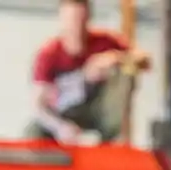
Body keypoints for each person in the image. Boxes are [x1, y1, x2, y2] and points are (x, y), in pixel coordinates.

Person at [25, 0, 151, 144]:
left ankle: (111, 139)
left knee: (126, 74)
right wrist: (60, 127)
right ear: (62, 20)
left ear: (88, 18)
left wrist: (115, 58)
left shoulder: (105, 41)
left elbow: (145, 59)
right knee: (33, 131)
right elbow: (38, 105)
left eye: (81, 20)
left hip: (98, 111)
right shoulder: (48, 54)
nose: (76, 28)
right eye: (71, 21)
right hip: (63, 114)